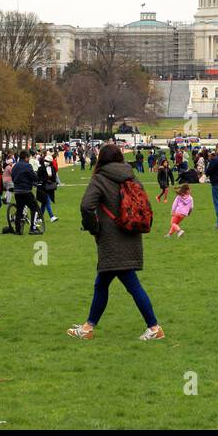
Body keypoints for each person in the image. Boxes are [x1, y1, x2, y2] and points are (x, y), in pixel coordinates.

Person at [67, 144, 163, 341]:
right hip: (131, 233)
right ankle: (88, 326)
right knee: (102, 283)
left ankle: (154, 327)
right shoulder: (131, 176)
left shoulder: (100, 179)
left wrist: (94, 228)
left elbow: (86, 206)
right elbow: (145, 205)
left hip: (111, 239)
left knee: (130, 284)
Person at [9, 150, 39, 234]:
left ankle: (18, 230)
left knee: (19, 210)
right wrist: (36, 179)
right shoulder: (27, 166)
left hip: (17, 191)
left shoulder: (15, 166)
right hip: (26, 190)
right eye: (28, 158)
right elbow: (33, 176)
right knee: (34, 208)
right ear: (26, 158)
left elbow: (13, 176)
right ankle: (33, 228)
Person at [36, 151, 59, 223]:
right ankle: (51, 216)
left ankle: (39, 218)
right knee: (47, 201)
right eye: (45, 160)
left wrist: (51, 181)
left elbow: (54, 177)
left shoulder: (52, 169)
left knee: (44, 203)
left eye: (47, 161)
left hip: (49, 188)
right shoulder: (40, 168)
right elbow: (38, 178)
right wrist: (45, 180)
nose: (46, 162)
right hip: (42, 188)